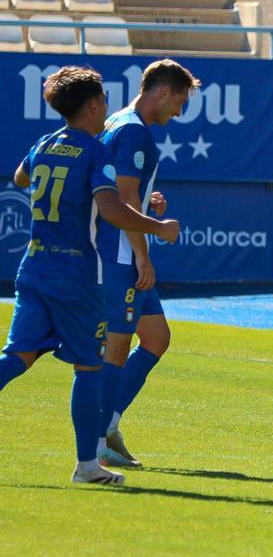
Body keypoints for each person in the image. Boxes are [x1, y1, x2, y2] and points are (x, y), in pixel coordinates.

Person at [0, 67, 179, 485]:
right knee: (88, 366)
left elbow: (21, 177)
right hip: (76, 272)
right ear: (95, 104)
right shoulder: (95, 152)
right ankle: (87, 465)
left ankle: (92, 458)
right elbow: (114, 209)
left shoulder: (45, 143)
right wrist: (158, 228)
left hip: (34, 266)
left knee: (18, 357)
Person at [94, 59, 200, 469]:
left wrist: (146, 200)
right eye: (179, 102)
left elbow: (122, 189)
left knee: (155, 338)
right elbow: (121, 199)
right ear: (163, 92)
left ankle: (110, 425)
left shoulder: (118, 120)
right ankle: (96, 436)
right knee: (116, 346)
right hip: (120, 253)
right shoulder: (135, 131)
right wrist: (145, 249)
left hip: (118, 246)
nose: (178, 112)